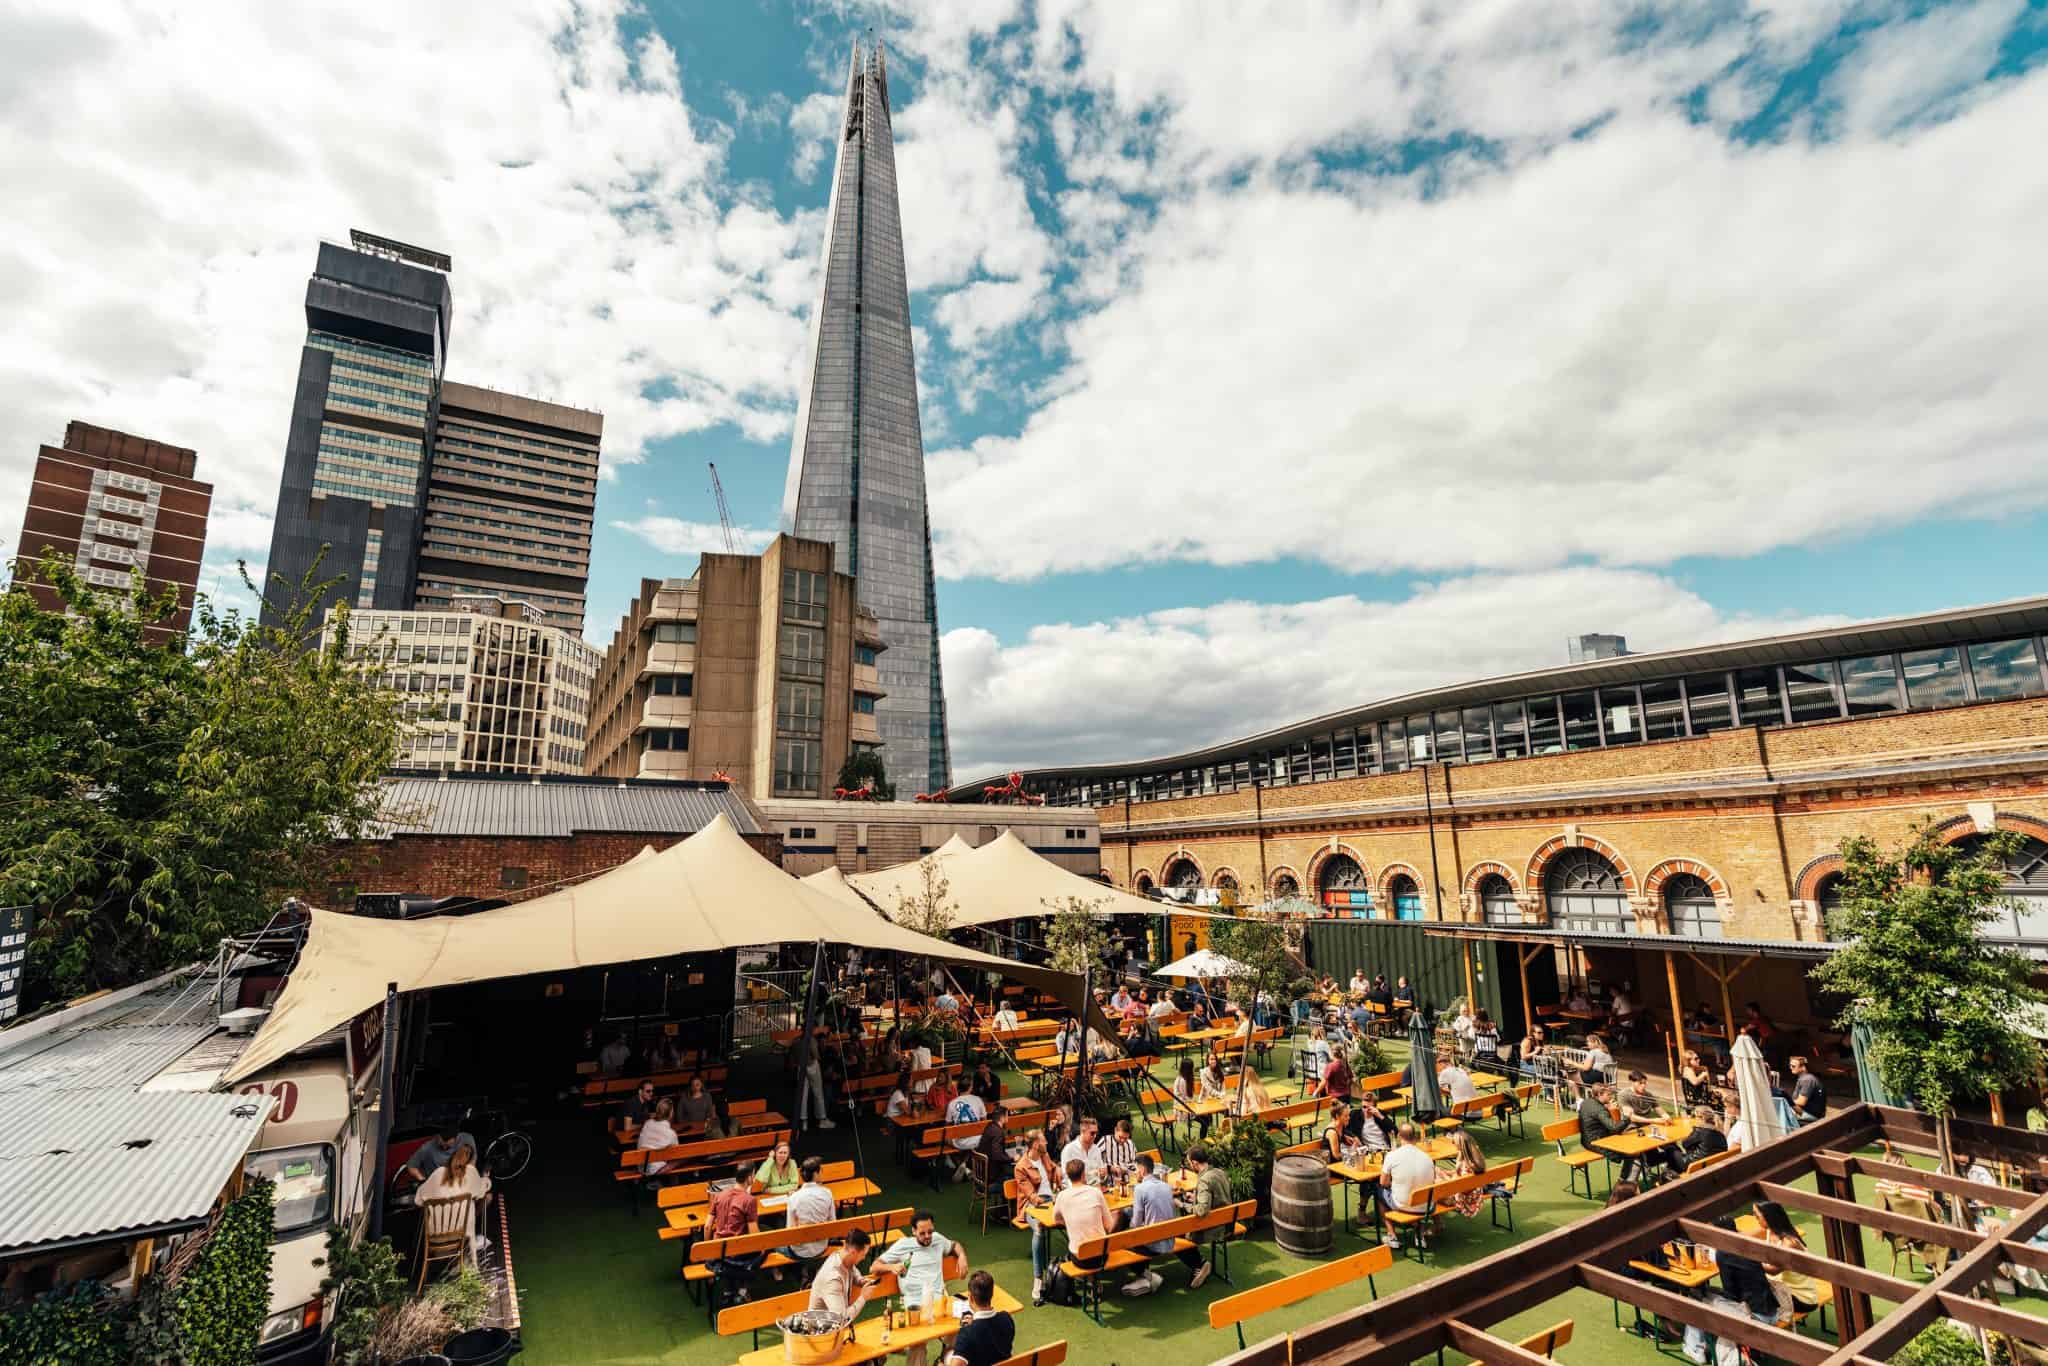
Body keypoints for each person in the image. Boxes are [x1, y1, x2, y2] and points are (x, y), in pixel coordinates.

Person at [877, 1210, 965, 1366]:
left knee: (959, 1329)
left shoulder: (937, 1240)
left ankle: (946, 1360)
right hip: (913, 1304)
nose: (927, 1236)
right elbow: (874, 1266)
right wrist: (892, 1266)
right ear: (913, 1231)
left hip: (938, 1299)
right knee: (917, 1343)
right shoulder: (903, 1245)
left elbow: (955, 1245)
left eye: (930, 1231)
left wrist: (962, 1256)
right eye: (922, 1233)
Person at [1755, 1199, 1831, 1322]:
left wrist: (1750, 1260)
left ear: (1769, 1217)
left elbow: (1774, 1271)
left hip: (1802, 1298)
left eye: (1757, 1216)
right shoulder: (1771, 1231)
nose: (1755, 1219)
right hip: (1783, 1287)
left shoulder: (1789, 1243)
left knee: (1751, 1289)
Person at [416, 1139, 493, 1252]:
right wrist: (486, 1178)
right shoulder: (471, 1173)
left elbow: (418, 1201)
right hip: (458, 1236)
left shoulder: (438, 1173)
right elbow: (484, 1188)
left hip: (433, 1237)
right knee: (487, 1198)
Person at [1012, 1130, 1061, 1304]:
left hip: (1052, 1200)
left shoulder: (1044, 1155)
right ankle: (1038, 1279)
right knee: (1039, 1229)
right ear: (1035, 1144)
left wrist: (1060, 1179)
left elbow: (1054, 1169)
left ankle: (1073, 1268)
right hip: (1032, 1206)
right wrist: (1051, 1200)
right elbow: (1032, 1196)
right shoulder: (1021, 1167)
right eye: (1044, 1140)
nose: (1047, 1143)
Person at [1119, 1154, 1177, 1297]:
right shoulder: (1167, 1186)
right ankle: (1144, 1277)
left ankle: (1147, 1276)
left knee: (1122, 1242)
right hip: (1169, 1241)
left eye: (1136, 1170)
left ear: (1142, 1170)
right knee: (1129, 1214)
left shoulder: (1140, 1189)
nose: (1134, 1173)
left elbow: (1136, 1225)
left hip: (1153, 1244)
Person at [709, 1157, 763, 1303]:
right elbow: (754, 1234)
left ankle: (728, 1290)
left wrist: (708, 1248)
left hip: (718, 1250)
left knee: (732, 1254)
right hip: (737, 1253)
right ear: (750, 1177)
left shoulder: (719, 1195)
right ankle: (742, 1290)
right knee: (763, 1250)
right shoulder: (749, 1200)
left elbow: (708, 1226)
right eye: (754, 1174)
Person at [1376, 1124, 1438, 1249]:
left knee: (1379, 1190)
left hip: (1404, 1205)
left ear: (1399, 1136)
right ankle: (1419, 1235)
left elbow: (1383, 1183)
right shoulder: (1427, 1157)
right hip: (1427, 1207)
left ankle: (1392, 1235)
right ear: (1415, 1137)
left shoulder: (1392, 1156)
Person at [1052, 1159, 1116, 1277]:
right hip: (1100, 1256)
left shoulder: (1062, 1196)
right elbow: (1109, 1225)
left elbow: (1056, 1220)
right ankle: (1093, 1281)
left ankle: (1092, 1281)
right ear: (1083, 1174)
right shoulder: (1095, 1192)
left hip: (1079, 1258)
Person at [1182, 1143, 1232, 1288]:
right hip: (1227, 1223)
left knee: (1176, 1234)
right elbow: (1217, 1197)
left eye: (1189, 1162)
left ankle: (1199, 1264)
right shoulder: (1219, 1172)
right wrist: (1196, 1196)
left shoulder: (1204, 1180)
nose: (1189, 1165)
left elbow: (1202, 1210)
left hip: (1211, 1228)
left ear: (1195, 1163)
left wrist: (1183, 1205)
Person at [945, 1269, 1016, 1366]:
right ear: (992, 1294)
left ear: (970, 1297)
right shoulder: (1007, 1319)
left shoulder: (967, 1333)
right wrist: (974, 1324)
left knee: (947, 1354)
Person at [782, 1156, 838, 1266]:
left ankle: (779, 1271)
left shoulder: (794, 1198)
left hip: (800, 1252)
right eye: (821, 1171)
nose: (822, 1173)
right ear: (816, 1174)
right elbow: (832, 1222)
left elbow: (790, 1231)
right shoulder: (827, 1193)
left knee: (775, 1243)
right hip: (821, 1247)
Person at [1578, 1082, 1638, 1183]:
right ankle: (1623, 1181)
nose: (1611, 1096)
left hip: (1588, 1140)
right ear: (1599, 1094)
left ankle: (1632, 1175)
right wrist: (1628, 1118)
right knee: (1631, 1152)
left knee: (1632, 1146)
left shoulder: (1587, 1102)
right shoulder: (1599, 1110)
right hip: (1597, 1143)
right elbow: (1614, 1128)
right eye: (1608, 1094)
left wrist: (1608, 1108)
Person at [809, 1227, 874, 1318]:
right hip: (823, 1328)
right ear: (853, 1252)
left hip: (834, 1326)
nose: (864, 1258)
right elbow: (842, 1319)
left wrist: (861, 1281)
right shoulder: (832, 1279)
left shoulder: (843, 1257)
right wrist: (863, 1297)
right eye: (863, 1254)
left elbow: (853, 1270)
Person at [400, 1123, 479, 1189]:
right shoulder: (427, 1148)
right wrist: (424, 1182)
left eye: (448, 1146)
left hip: (459, 1183)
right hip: (437, 1186)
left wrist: (469, 1174)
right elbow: (411, 1166)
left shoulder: (467, 1139)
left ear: (456, 1138)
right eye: (441, 1145)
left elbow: (473, 1158)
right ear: (437, 1136)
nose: (444, 1148)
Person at [1663, 1106, 1728, 1177]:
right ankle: (1668, 1167)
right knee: (1674, 1149)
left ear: (1702, 1117)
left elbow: (1684, 1144)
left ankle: (1667, 1169)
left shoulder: (1700, 1130)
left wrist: (1694, 1129)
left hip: (1693, 1165)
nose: (1694, 1118)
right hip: (1710, 1164)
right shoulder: (1719, 1131)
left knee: (1669, 1147)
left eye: (1695, 1116)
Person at [793, 1026, 836, 1132]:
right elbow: (815, 1054)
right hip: (812, 1065)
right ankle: (822, 1119)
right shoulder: (811, 1040)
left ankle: (804, 1121)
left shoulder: (796, 1040)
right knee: (818, 1093)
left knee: (803, 1094)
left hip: (801, 1066)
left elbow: (794, 1055)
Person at [944, 1085, 989, 1183]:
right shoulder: (978, 1100)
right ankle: (965, 1165)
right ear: (970, 1088)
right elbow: (984, 1122)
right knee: (973, 1140)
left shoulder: (952, 1103)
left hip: (959, 1142)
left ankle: (960, 1163)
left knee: (944, 1139)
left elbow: (947, 1126)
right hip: (977, 1140)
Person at [1443, 1128, 1488, 1217]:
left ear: (1460, 1146)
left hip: (1465, 1199)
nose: (1453, 1143)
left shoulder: (1465, 1165)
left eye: (1454, 1142)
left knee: (1435, 1183)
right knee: (1439, 1173)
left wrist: (1445, 1176)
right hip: (1475, 1196)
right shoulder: (1476, 1159)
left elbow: (1458, 1184)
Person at [637, 1099, 680, 1178]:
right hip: (655, 1170)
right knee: (680, 1160)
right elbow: (675, 1154)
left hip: (641, 1167)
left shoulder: (647, 1123)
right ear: (671, 1114)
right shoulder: (671, 1133)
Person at [1174, 1057, 1212, 1140]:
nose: (1193, 1069)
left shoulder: (1186, 1078)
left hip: (1189, 1107)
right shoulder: (1182, 1080)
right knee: (1205, 1120)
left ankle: (1206, 1138)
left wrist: (1196, 1102)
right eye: (1192, 1067)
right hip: (1182, 1110)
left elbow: (1188, 1098)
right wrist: (1196, 1103)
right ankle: (1203, 1140)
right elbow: (1184, 1099)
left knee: (1208, 1116)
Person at [1060, 1115, 1104, 1181]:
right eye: (1092, 1133)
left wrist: (1102, 1174)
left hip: (1096, 1188)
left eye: (1096, 1133)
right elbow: (1066, 1176)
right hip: (1077, 1189)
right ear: (1083, 1131)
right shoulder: (1069, 1149)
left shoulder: (1096, 1149)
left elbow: (1101, 1173)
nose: (1095, 1136)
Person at [677, 1074, 722, 1138]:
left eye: (697, 1084)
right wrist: (688, 1126)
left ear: (701, 1085)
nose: (695, 1087)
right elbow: (679, 1117)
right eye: (693, 1085)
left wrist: (705, 1125)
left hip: (704, 1129)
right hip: (688, 1130)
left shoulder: (707, 1096)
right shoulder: (684, 1098)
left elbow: (709, 1114)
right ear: (690, 1086)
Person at [1787, 1056, 1827, 1125]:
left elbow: (1801, 1102)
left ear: (1803, 1067)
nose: (1790, 1068)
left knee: (1781, 1114)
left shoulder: (1807, 1080)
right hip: (1805, 1112)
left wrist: (1786, 1100)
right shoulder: (1805, 1078)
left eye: (1793, 1066)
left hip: (1811, 1115)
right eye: (1790, 1065)